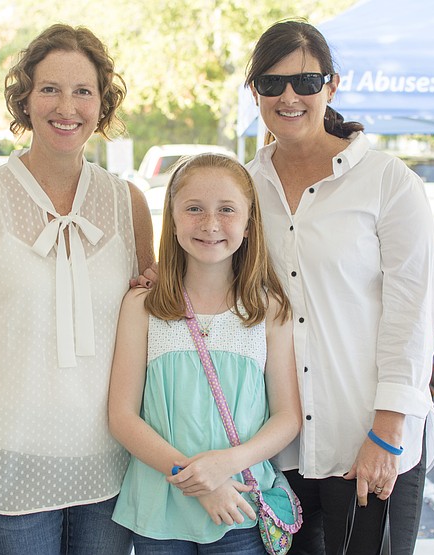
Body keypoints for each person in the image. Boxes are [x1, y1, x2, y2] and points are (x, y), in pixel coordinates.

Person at [0, 24, 154, 555]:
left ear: (102, 104)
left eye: (84, 91)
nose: (67, 106)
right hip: (7, 462)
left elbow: (149, 325)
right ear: (25, 100)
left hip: (111, 462)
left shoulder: (128, 203)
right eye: (50, 89)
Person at [244, 20, 434, 555]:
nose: (289, 96)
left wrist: (387, 430)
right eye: (271, 82)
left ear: (331, 85)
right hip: (280, 451)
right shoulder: (245, 187)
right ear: (254, 90)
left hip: (368, 442)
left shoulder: (388, 182)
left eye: (306, 82)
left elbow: (413, 314)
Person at [109, 154, 301, 553]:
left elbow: (287, 417)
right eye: (194, 208)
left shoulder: (269, 310)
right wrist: (197, 480)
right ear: (173, 219)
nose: (210, 224)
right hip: (159, 509)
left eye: (226, 210)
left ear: (249, 225)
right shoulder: (142, 307)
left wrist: (225, 467)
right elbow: (123, 417)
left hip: (240, 504)